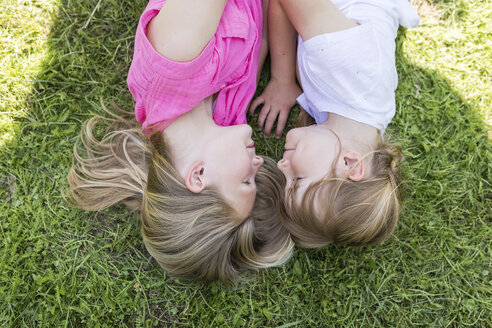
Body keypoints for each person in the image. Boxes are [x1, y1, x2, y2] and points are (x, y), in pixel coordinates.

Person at [67, 0, 293, 283]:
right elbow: (256, 39)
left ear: (198, 175)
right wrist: (282, 79)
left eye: (246, 180)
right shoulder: (226, 119)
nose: (258, 162)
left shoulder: (174, 63)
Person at [251, 0, 420, 246]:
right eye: (298, 179)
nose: (281, 165)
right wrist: (282, 78)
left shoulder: (349, 124)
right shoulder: (344, 68)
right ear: (350, 163)